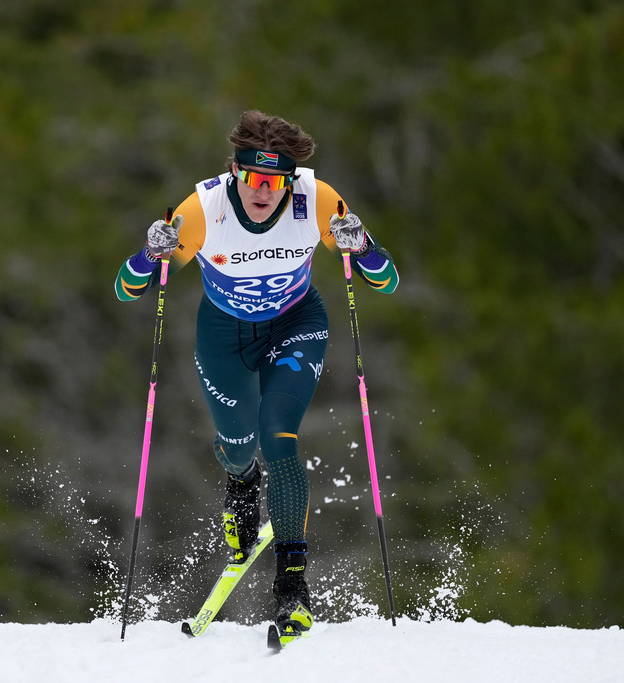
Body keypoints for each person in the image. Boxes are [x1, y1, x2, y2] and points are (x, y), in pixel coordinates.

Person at [114, 110, 398, 639]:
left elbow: (386, 281)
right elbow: (128, 290)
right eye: (253, 178)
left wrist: (360, 246)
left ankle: (292, 590)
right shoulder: (203, 210)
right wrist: (149, 254)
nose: (263, 191)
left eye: (275, 181)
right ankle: (241, 482)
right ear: (235, 172)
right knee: (239, 445)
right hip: (224, 336)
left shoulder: (317, 200)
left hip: (296, 322)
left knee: (278, 437)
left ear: (291, 180)